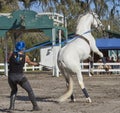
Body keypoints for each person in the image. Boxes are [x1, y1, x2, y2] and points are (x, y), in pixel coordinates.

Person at [8, 41, 40, 112]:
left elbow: (8, 61)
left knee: (14, 90)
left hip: (11, 77)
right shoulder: (25, 57)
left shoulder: (11, 53)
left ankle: (11, 108)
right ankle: (35, 107)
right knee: (30, 91)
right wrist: (37, 64)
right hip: (20, 77)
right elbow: (30, 63)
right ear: (23, 48)